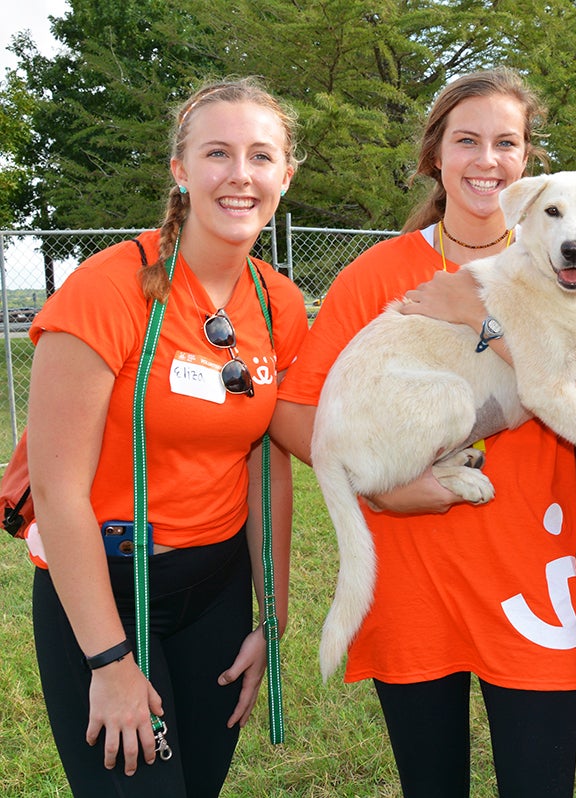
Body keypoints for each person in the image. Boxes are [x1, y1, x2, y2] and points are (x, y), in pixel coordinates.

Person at [270, 68, 576, 798]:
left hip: (528, 574)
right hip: (414, 581)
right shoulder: (376, 273)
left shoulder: (567, 263)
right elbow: (295, 412)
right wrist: (383, 488)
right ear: (436, 156)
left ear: (527, 162)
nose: (487, 159)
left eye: (506, 143)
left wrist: (478, 320)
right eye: (467, 140)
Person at [25, 77, 307, 797]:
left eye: (260, 156)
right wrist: (111, 661)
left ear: (285, 175)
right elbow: (57, 492)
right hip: (107, 591)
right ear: (181, 170)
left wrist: (269, 618)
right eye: (217, 153)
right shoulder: (108, 288)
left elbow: (266, 465)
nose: (239, 175)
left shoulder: (279, 304)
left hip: (215, 594)